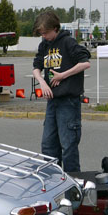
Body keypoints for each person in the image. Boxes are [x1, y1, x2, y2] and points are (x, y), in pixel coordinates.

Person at [32, 11, 91, 173]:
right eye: (41, 33)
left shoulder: (68, 42)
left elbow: (85, 63)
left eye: (46, 32)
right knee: (48, 145)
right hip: (52, 102)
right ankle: (53, 184)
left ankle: (73, 190)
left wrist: (62, 76)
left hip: (68, 102)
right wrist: (42, 83)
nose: (44, 36)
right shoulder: (44, 45)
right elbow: (36, 67)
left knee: (68, 146)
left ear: (55, 28)